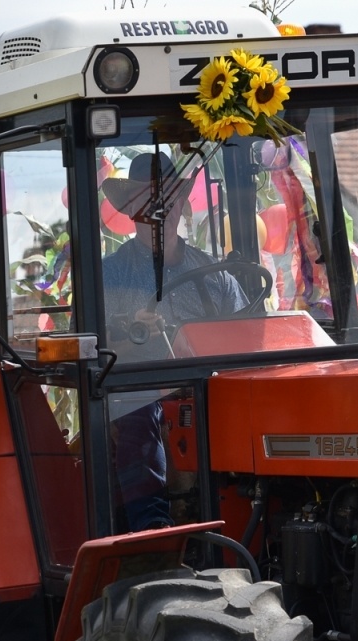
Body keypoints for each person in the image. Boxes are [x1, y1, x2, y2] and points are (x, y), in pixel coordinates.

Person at [99, 152, 249, 531]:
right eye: (147, 202)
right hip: (141, 392)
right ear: (131, 210)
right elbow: (89, 344)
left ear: (182, 204)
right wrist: (127, 332)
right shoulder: (109, 276)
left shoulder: (215, 276)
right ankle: (152, 532)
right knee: (139, 409)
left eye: (167, 200)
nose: (158, 211)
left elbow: (246, 336)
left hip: (208, 391)